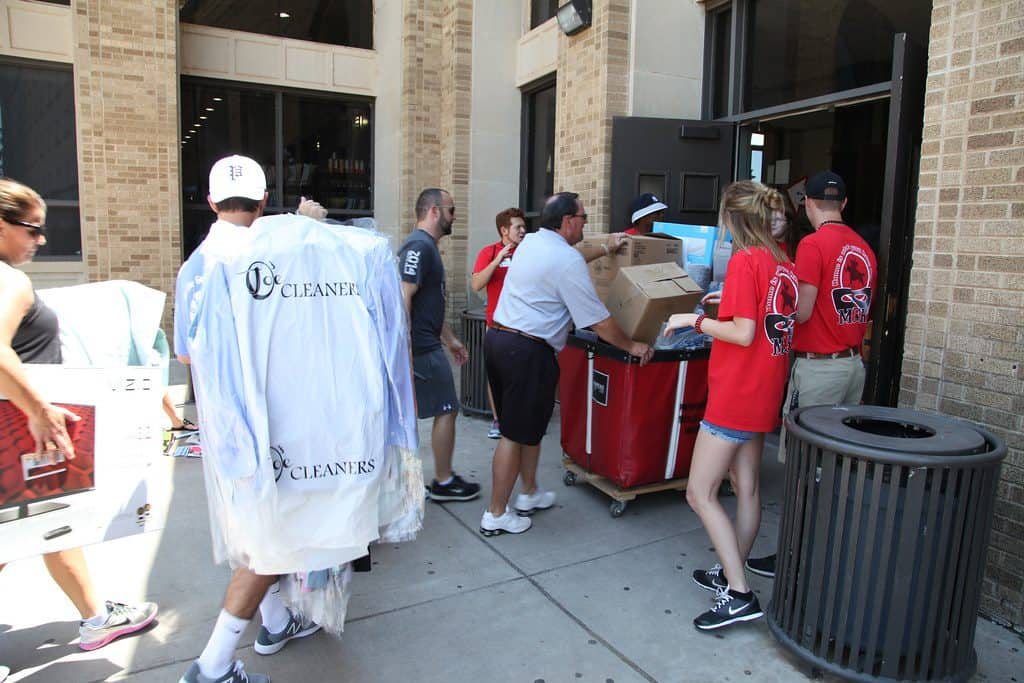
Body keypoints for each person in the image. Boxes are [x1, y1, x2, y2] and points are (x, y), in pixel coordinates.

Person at [175, 156, 320, 683]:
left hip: (221, 427)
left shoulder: (195, 264)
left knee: (256, 535)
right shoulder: (275, 253)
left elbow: (187, 354)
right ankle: (212, 665)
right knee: (265, 547)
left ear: (211, 203)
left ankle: (277, 620)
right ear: (262, 203)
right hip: (271, 425)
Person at [0, 178, 158, 655]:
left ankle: (95, 617)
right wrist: (41, 411)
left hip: (18, 429)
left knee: (40, 524)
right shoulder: (9, 280)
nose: (40, 240)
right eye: (31, 229)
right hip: (22, 430)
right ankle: (96, 618)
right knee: (49, 520)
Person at [663, 181, 797, 631]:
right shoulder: (781, 260)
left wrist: (695, 319)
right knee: (748, 489)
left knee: (699, 493)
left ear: (732, 219)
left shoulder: (744, 260)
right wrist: (728, 302)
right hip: (764, 391)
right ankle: (730, 568)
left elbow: (742, 334)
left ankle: (739, 593)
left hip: (735, 394)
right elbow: (766, 316)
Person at [480, 192, 654, 536]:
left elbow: (574, 254)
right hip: (526, 352)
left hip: (500, 339)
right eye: (583, 217)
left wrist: (605, 248)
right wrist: (633, 345)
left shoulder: (531, 243)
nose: (586, 222)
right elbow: (598, 322)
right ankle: (496, 513)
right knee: (514, 435)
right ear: (567, 222)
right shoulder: (564, 261)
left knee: (528, 428)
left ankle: (528, 493)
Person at [749, 170, 878, 580]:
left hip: (819, 370)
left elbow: (801, 310)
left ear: (806, 203)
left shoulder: (812, 245)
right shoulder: (864, 248)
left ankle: (795, 558)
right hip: (853, 366)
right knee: (835, 466)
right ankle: (829, 552)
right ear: (844, 203)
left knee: (805, 470)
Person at [397, 189, 480, 503]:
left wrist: (451, 339)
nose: (454, 215)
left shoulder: (426, 246)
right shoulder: (419, 246)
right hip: (421, 348)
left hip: (428, 343)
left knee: (446, 409)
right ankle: (443, 481)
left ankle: (441, 478)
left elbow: (427, 304)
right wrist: (405, 347)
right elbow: (405, 295)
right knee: (447, 409)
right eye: (452, 209)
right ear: (433, 211)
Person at [471, 208, 527, 439]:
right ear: (504, 230)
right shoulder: (489, 252)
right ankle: (498, 419)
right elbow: (476, 285)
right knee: (497, 376)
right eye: (518, 227)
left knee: (522, 376)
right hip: (496, 325)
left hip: (525, 327)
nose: (523, 231)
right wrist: (497, 260)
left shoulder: (530, 252)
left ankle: (519, 419)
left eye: (524, 226)